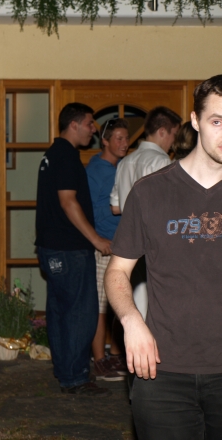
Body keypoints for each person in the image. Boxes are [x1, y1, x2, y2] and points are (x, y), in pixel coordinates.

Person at [105, 74, 222, 439]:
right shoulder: (150, 192)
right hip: (161, 371)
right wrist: (131, 321)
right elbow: (117, 272)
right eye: (217, 121)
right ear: (195, 121)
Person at [35, 102, 112, 397]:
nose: (93, 130)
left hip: (52, 248)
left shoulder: (51, 154)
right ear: (74, 124)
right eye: (90, 124)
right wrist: (96, 240)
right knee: (81, 313)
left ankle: (66, 373)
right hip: (69, 249)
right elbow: (68, 202)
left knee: (60, 312)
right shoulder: (66, 155)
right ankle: (76, 377)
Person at [109, 107, 182, 320]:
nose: (174, 142)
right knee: (156, 308)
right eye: (174, 134)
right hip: (156, 244)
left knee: (135, 304)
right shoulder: (161, 162)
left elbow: (115, 207)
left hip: (129, 242)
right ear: (162, 132)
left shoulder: (125, 162)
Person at [86, 118, 129, 381]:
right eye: (119, 138)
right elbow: (86, 209)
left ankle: (114, 354)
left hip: (122, 246)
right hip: (104, 246)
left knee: (120, 302)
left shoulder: (122, 166)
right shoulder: (95, 170)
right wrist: (98, 239)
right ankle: (99, 359)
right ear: (105, 140)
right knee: (101, 306)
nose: (124, 143)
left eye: (126, 138)